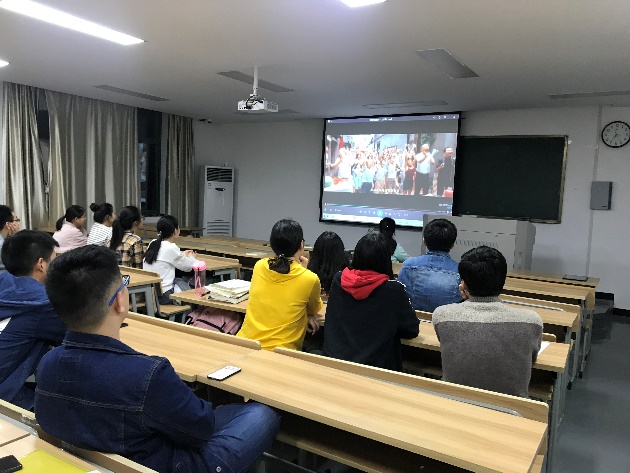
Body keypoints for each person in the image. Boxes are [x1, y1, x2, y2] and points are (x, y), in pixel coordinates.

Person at [35, 246, 280, 473]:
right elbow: (201, 429)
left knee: (226, 412)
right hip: (176, 465)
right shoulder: (147, 375)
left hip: (96, 462)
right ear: (119, 301)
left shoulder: (48, 363)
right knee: (262, 412)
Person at [432, 246, 543, 398]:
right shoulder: (532, 320)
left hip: (456, 402)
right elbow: (532, 358)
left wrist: (467, 301)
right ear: (503, 281)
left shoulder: (442, 315)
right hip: (511, 408)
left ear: (463, 284)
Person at [323, 232, 419, 371]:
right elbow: (411, 330)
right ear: (386, 260)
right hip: (375, 371)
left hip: (335, 364)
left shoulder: (339, 280)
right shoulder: (393, 290)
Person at [0, 231, 65, 409]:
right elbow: (79, 331)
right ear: (41, 264)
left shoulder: (4, 282)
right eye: (54, 260)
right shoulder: (43, 303)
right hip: (5, 398)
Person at [237, 219, 323, 350]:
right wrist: (304, 271)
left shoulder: (259, 266)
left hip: (246, 344)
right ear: (301, 245)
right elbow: (314, 309)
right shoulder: (309, 278)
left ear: (272, 245)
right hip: (280, 353)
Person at [398, 218, 461, 312]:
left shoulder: (408, 266)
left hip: (412, 319)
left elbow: (399, 297)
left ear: (424, 241)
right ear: (453, 244)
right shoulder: (460, 272)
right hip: (444, 321)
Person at [143, 215, 197, 304]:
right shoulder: (170, 247)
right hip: (164, 295)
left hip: (151, 293)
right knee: (188, 282)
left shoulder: (153, 243)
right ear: (175, 230)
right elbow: (188, 267)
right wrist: (192, 257)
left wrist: (182, 255)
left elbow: (167, 257)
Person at [0, 205, 20, 272]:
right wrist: (17, 237)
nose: (18, 223)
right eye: (16, 220)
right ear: (8, 225)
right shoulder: (4, 247)